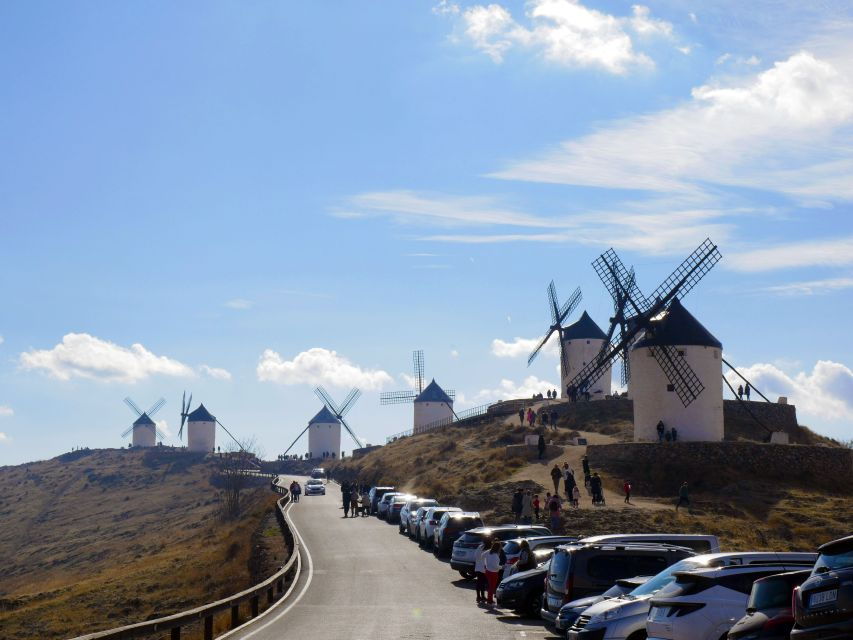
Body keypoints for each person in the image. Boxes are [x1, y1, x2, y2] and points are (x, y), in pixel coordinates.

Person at [484, 541, 504, 605]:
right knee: (492, 587)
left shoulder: (488, 552)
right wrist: (502, 567)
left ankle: (489, 599)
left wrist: (485, 564)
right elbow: (496, 566)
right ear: (498, 548)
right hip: (493, 573)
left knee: (490, 587)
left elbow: (482, 556)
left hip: (488, 571)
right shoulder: (495, 556)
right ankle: (490, 600)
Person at [474, 537, 490, 604]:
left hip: (478, 568)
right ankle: (482, 596)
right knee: (482, 583)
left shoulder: (480, 547)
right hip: (484, 568)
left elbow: (475, 556)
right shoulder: (488, 549)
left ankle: (478, 596)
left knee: (479, 582)